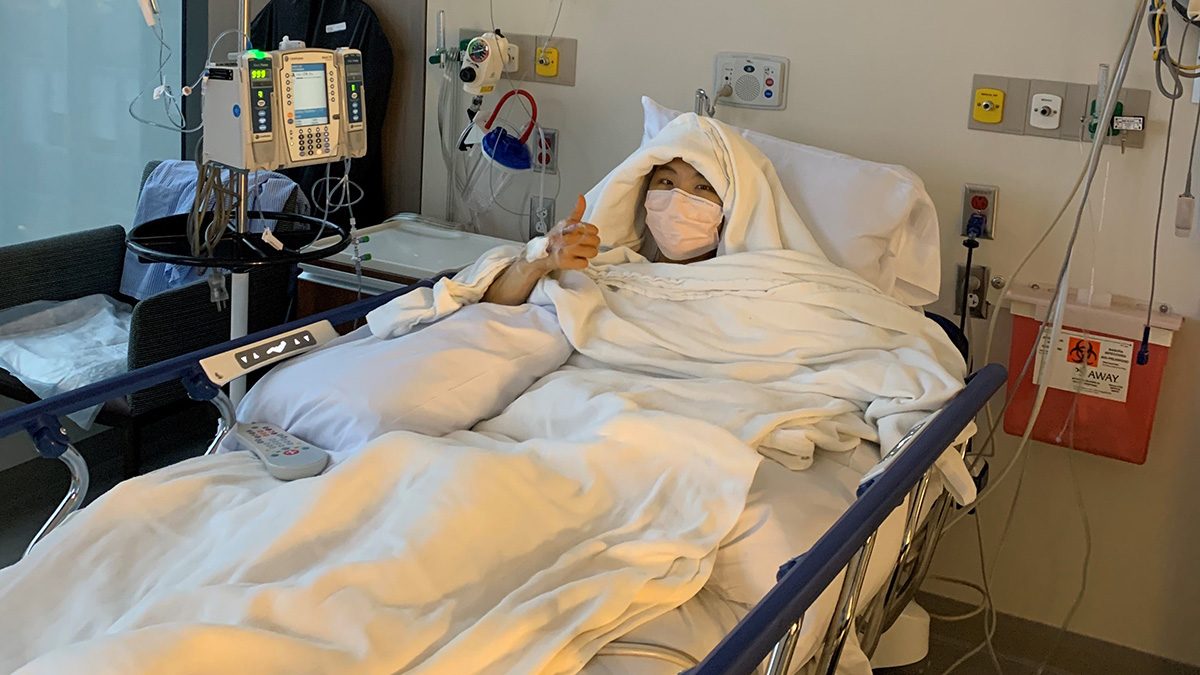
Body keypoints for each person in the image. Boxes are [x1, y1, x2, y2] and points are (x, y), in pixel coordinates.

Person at [483, 158, 725, 306]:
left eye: (703, 187)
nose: (677, 201)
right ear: (645, 196)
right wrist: (538, 261)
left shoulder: (749, 287)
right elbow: (493, 307)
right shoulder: (606, 267)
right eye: (666, 182)